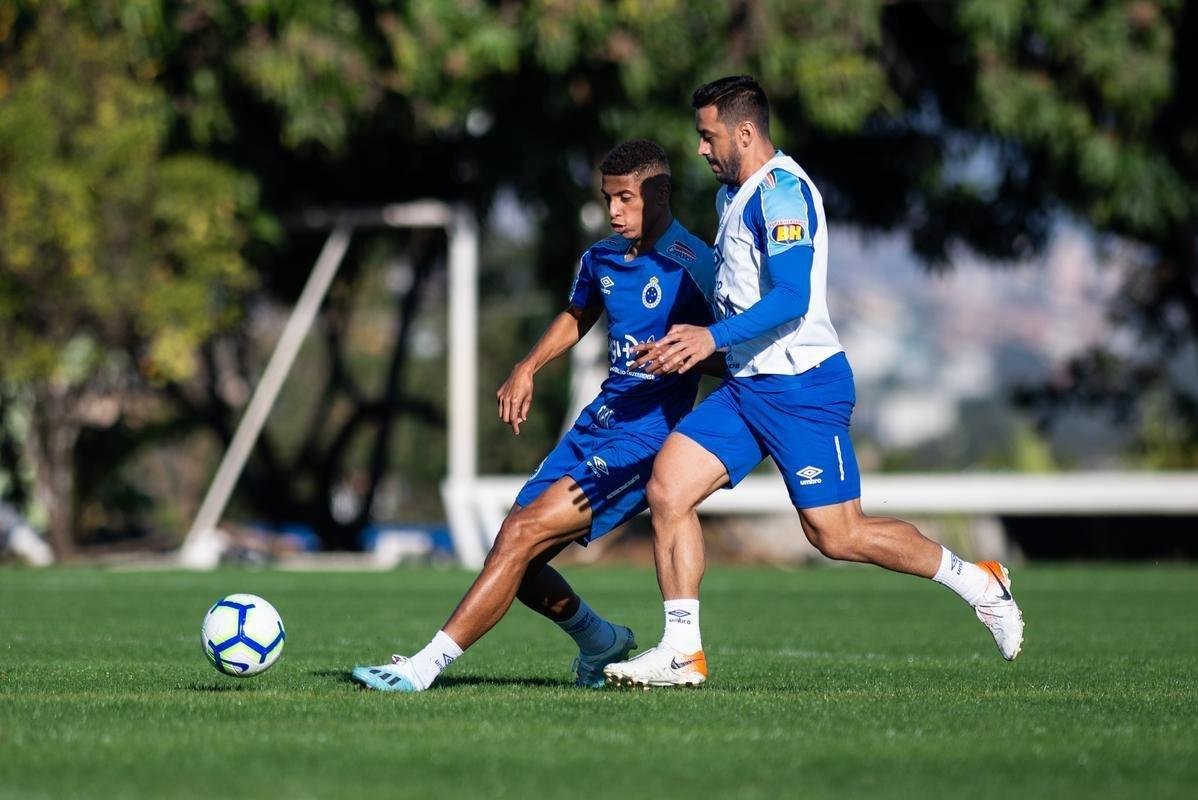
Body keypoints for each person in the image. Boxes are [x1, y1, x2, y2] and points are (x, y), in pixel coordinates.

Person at [603, 76, 1024, 689]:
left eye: (707, 135)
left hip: (803, 388)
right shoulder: (733, 196)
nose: (699, 148)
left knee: (837, 534)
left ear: (744, 132)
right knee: (669, 489)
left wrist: (709, 340)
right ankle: (682, 651)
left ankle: (978, 581)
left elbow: (794, 299)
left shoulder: (783, 195)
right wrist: (681, 333)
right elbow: (732, 290)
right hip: (750, 386)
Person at [352, 139, 717, 692]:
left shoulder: (696, 266)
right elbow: (578, 314)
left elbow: (734, 346)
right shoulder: (601, 259)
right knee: (513, 551)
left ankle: (422, 668)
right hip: (597, 423)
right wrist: (528, 367)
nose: (613, 211)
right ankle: (602, 641)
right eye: (607, 198)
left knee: (521, 534)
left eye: (625, 199)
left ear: (660, 192)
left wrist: (699, 360)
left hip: (645, 440)